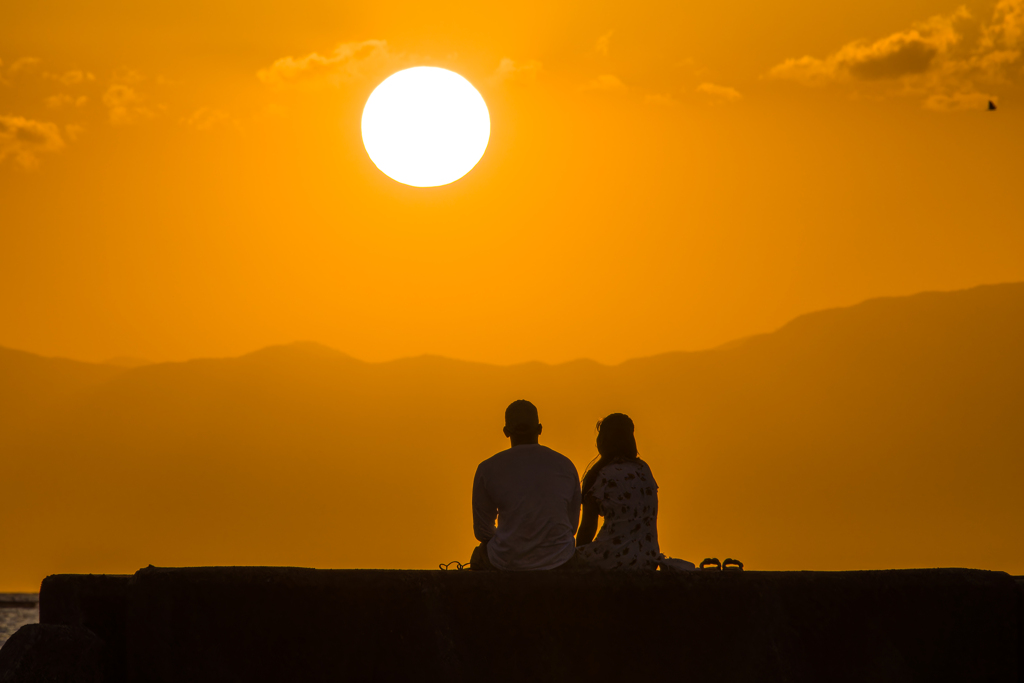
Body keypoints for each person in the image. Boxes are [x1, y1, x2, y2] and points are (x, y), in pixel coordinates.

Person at [471, 400, 582, 570]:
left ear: (506, 432)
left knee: (478, 555)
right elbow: (571, 526)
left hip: (508, 560)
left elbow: (482, 532)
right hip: (560, 558)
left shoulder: (488, 468)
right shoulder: (565, 465)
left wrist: (509, 539)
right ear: (539, 429)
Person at [576, 413, 660, 570]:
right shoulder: (644, 469)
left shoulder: (601, 475)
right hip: (649, 558)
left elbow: (587, 529)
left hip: (614, 557)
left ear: (602, 441)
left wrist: (578, 555)